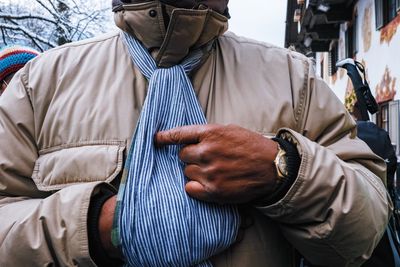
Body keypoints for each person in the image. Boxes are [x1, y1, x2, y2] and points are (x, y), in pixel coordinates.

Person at [0, 1, 391, 266]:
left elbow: (365, 234)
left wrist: (283, 171)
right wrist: (95, 225)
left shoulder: (296, 80)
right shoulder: (41, 84)